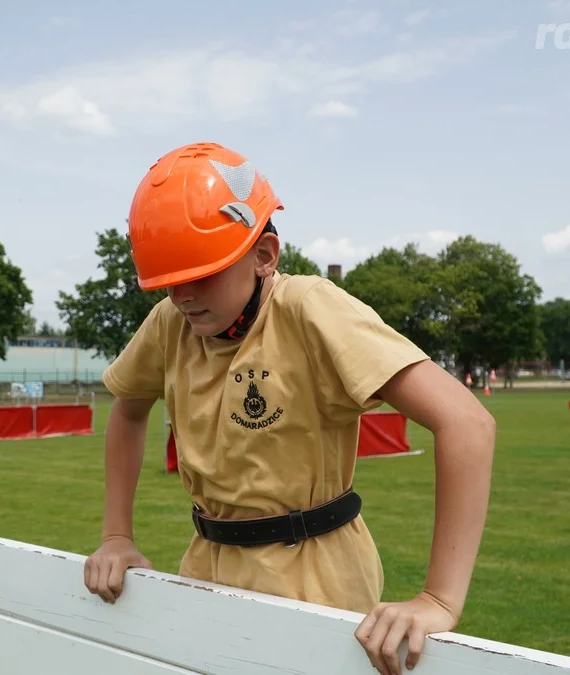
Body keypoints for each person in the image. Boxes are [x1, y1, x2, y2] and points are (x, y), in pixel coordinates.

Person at [82, 142, 497, 675]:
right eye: (169, 283)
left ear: (264, 256)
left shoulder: (308, 309)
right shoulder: (170, 323)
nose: (183, 297)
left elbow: (467, 422)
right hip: (205, 564)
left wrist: (439, 599)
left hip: (315, 573)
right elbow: (129, 407)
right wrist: (117, 536)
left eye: (202, 275)